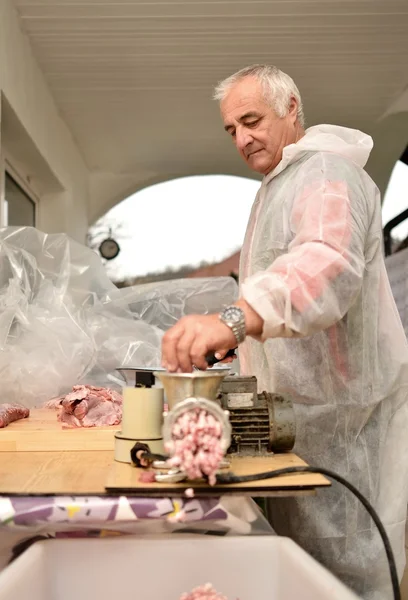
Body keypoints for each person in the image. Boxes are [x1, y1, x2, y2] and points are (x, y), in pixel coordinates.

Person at [161, 64, 408, 599]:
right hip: (300, 430)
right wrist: (236, 350)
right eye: (231, 130)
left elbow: (325, 268)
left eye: (252, 120)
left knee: (344, 577)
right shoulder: (279, 187)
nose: (243, 138)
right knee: (301, 577)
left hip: (343, 435)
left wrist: (230, 320)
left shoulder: (326, 176)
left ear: (292, 107)